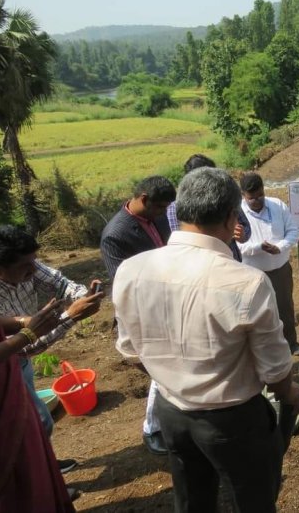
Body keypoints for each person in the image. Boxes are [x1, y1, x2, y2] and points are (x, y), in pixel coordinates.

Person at [113, 167, 299, 513]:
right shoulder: (245, 283)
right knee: (252, 500)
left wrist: (175, 380)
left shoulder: (132, 270)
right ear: (232, 215)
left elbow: (131, 349)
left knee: (192, 500)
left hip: (171, 414)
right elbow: (275, 370)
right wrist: (291, 394)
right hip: (233, 421)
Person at [0, 225, 103, 482]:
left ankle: (43, 468)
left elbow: (60, 283)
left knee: (36, 424)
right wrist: (71, 316)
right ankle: (39, 478)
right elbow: (25, 346)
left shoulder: (25, 267)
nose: (35, 271)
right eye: (27, 267)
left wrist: (83, 296)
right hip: (1, 370)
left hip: (20, 363)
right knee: (37, 423)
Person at [100, 175, 175, 455]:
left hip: (166, 301)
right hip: (143, 312)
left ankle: (163, 421)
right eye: (159, 208)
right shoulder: (115, 234)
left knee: (167, 367)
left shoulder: (158, 218)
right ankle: (152, 428)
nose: (163, 214)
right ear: (143, 199)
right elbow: (122, 283)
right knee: (160, 369)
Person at [0, 299, 75, 512]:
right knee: (6, 484)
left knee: (29, 469)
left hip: (3, 393)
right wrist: (27, 335)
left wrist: (24, 322)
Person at [238, 172, 299, 355]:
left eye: (260, 195)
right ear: (243, 195)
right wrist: (259, 247)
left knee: (285, 308)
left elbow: (293, 231)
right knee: (258, 312)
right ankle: (264, 351)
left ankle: (291, 343)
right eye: (252, 198)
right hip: (252, 273)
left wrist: (280, 247)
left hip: (280, 269)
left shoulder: (277, 205)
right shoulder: (236, 213)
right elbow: (237, 246)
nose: (257, 200)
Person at [166, 154, 251, 261]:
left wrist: (242, 235)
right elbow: (182, 243)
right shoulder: (174, 208)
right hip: (197, 266)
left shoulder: (227, 197)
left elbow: (246, 227)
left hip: (231, 260)